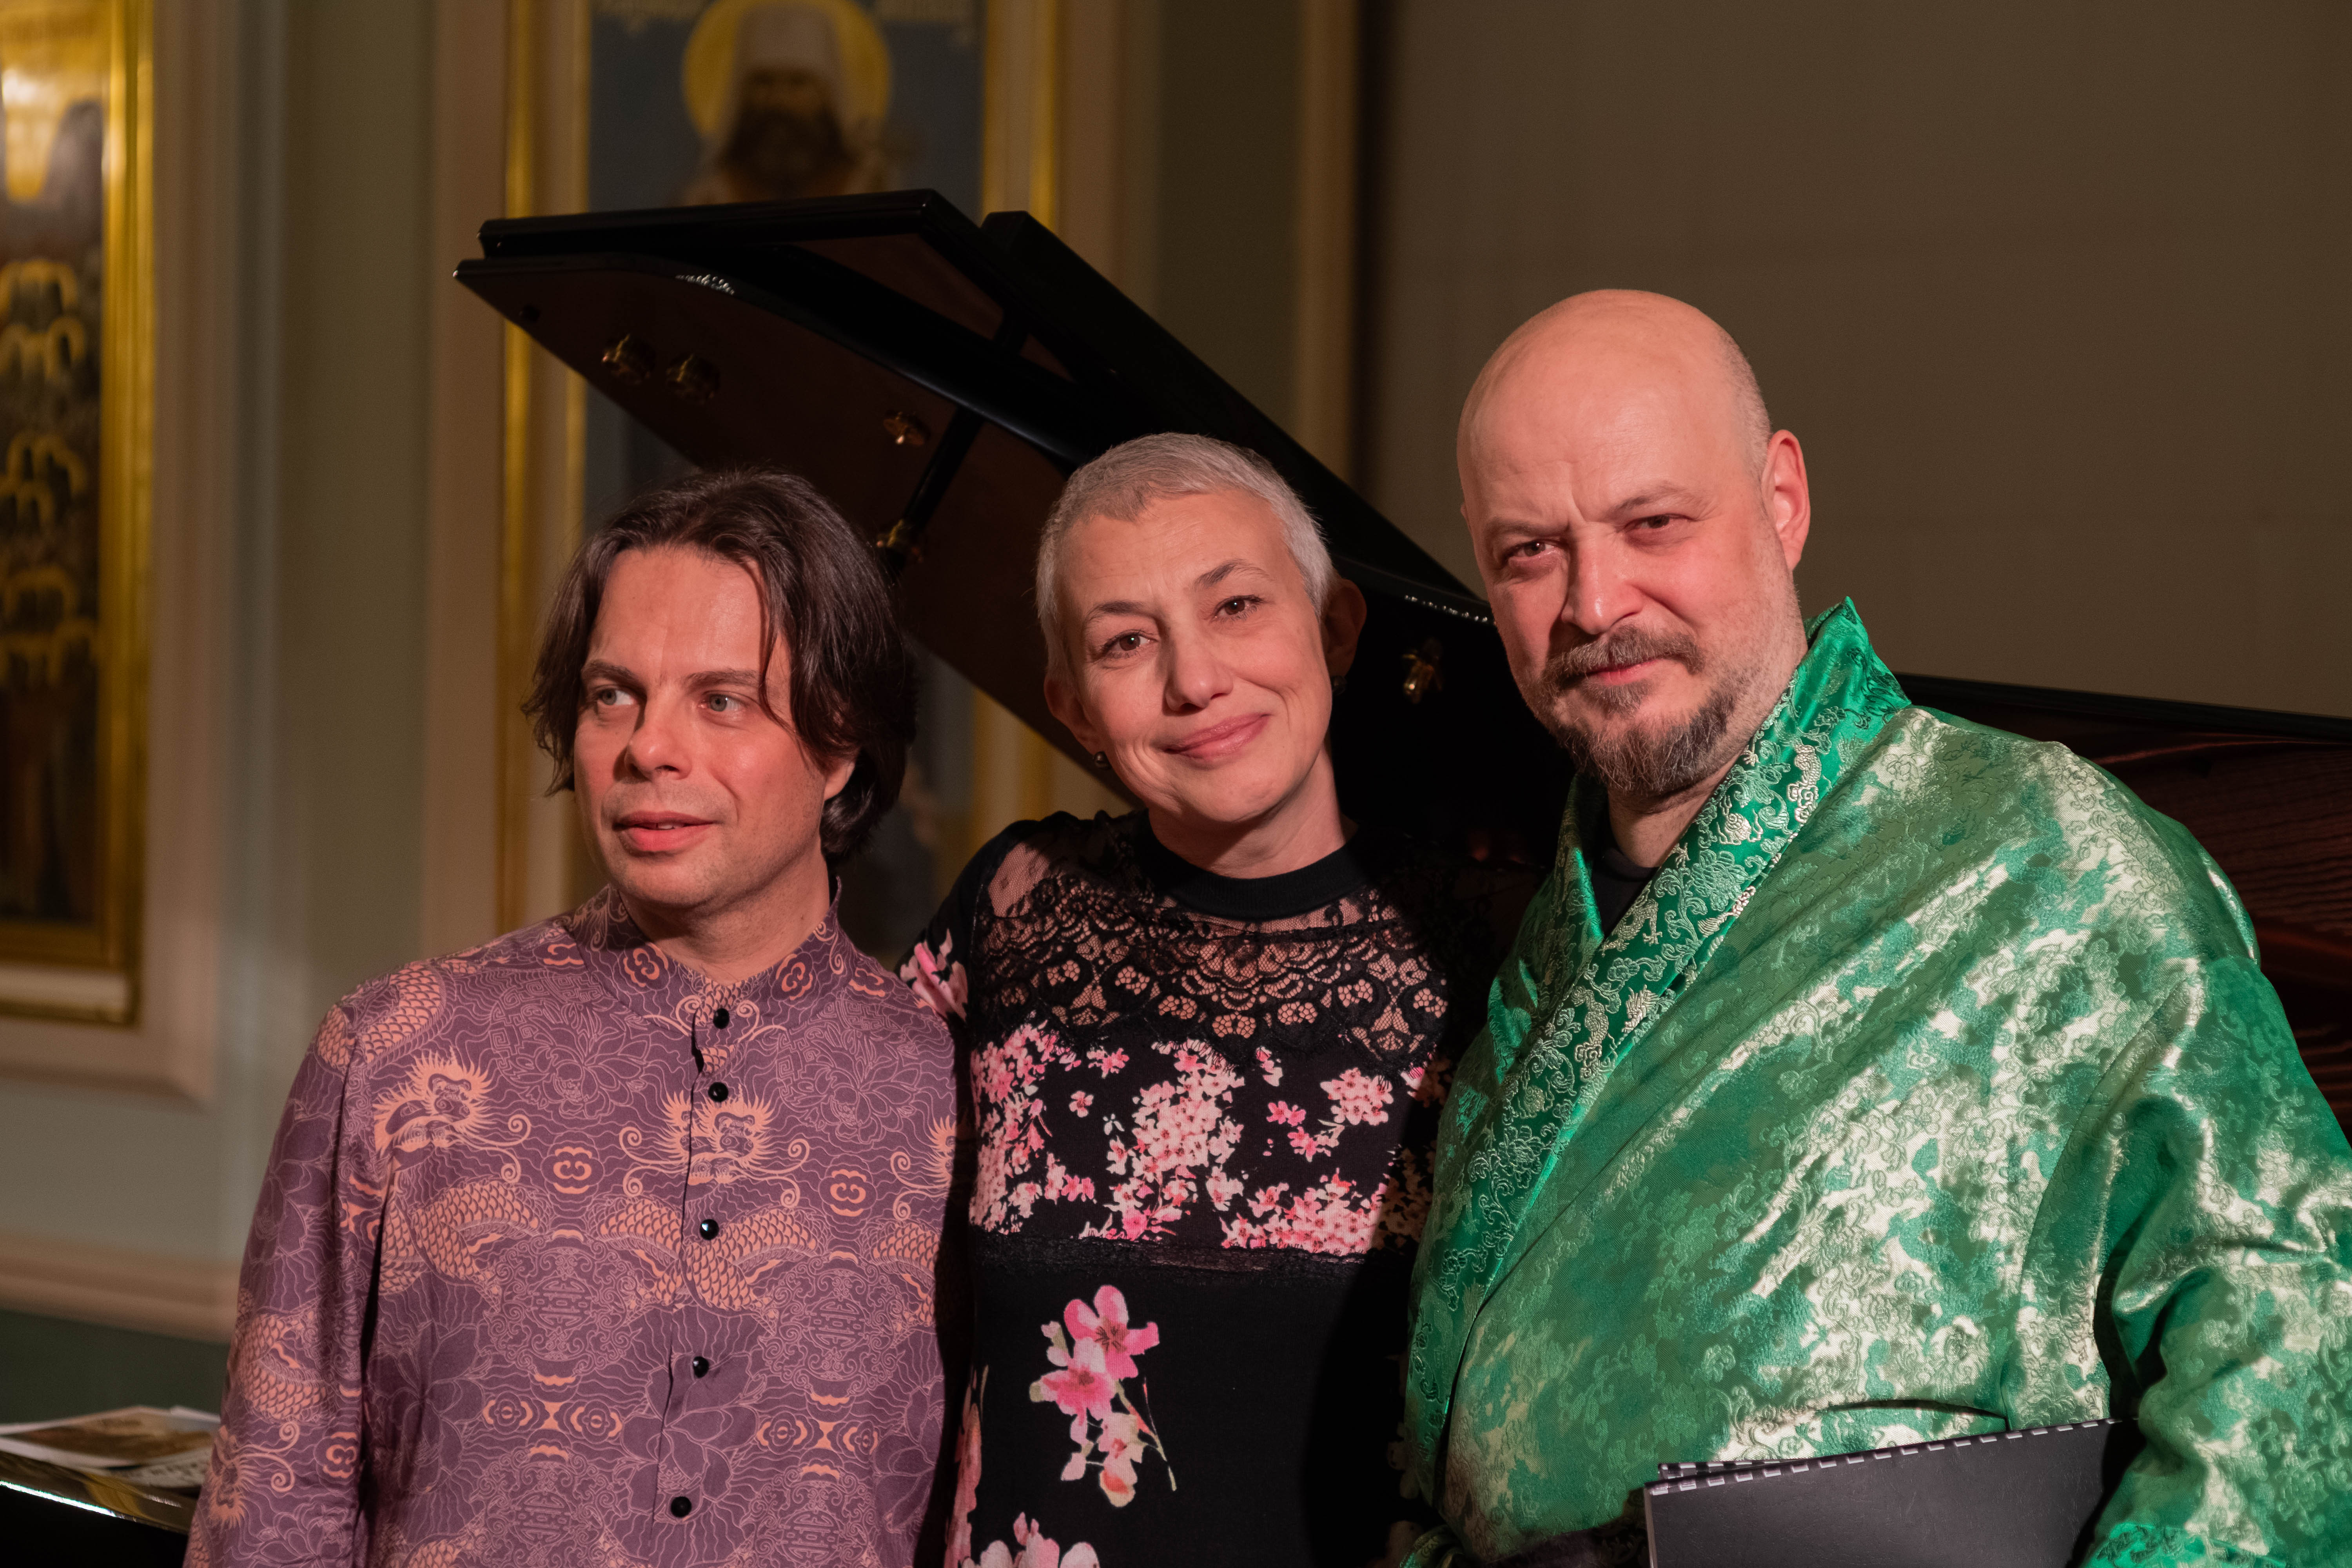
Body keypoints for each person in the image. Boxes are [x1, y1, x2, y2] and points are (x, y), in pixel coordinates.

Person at [1401, 290, 2352, 1567]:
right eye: (1530, 552)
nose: (1596, 600)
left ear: (1782, 498)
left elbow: (2304, 1330)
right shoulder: (1537, 964)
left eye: (1653, 523)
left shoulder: (2045, 859)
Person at [192, 470, 959, 1567]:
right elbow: (274, 1506)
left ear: (840, 746)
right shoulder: (401, 1053)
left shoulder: (949, 1099)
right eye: (613, 695)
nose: (649, 748)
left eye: (721, 700)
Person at [903, 434, 1530, 1568]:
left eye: (1236, 606)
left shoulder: (1497, 948)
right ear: (1074, 708)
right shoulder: (1012, 908)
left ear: (1335, 627)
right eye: (1126, 641)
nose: (1194, 679)